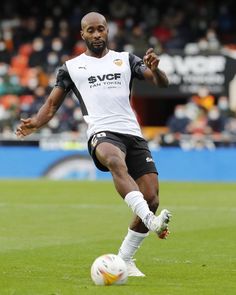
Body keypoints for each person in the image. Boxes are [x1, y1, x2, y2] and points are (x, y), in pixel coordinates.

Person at [15, 12, 172, 277]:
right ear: (83, 34)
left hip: (132, 134)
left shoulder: (126, 60)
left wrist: (156, 70)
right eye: (91, 30)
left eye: (101, 29)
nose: (97, 34)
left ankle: (126, 259)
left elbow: (161, 84)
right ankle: (148, 219)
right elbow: (52, 104)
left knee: (152, 197)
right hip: (101, 132)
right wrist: (35, 123)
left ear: (107, 31)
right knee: (113, 159)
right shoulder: (71, 67)